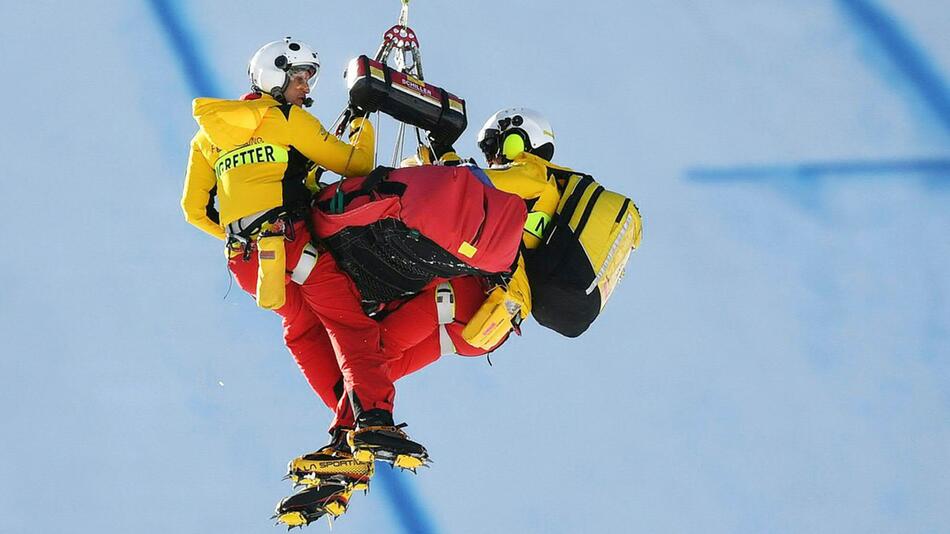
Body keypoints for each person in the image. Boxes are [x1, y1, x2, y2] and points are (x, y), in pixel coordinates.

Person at [181, 36, 434, 508]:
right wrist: (362, 127)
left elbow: (194, 210)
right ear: (274, 77)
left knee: (303, 333)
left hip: (251, 264)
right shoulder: (288, 120)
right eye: (299, 77)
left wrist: (241, 238)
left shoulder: (208, 135)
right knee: (351, 325)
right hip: (294, 247)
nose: (305, 87)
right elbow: (355, 165)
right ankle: (373, 421)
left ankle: (343, 444)